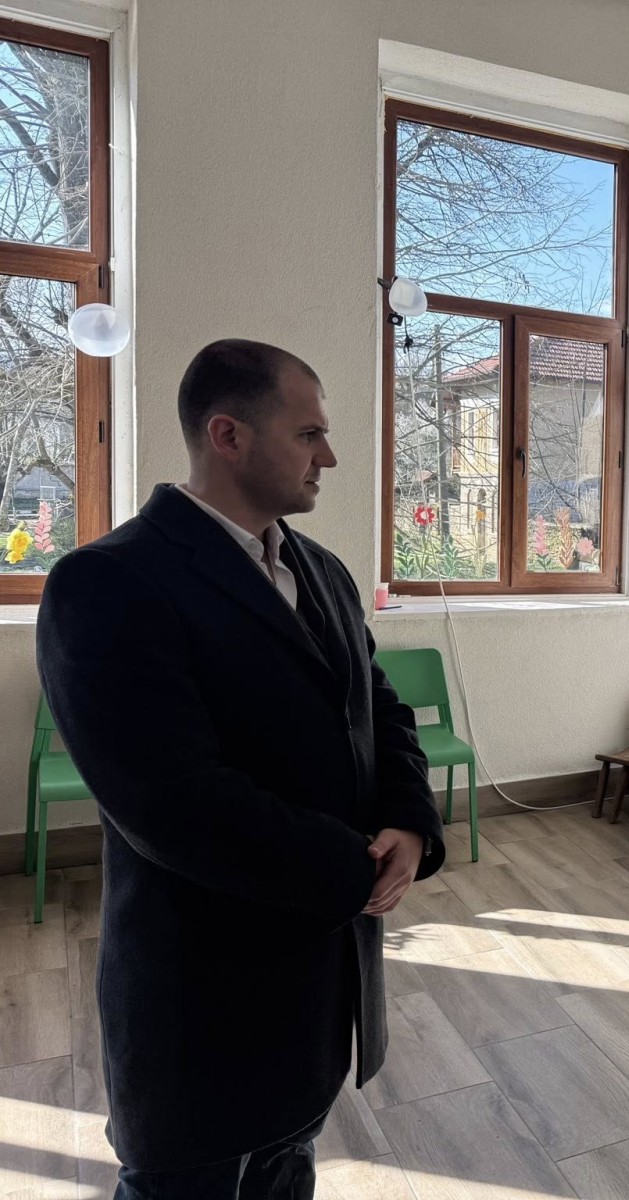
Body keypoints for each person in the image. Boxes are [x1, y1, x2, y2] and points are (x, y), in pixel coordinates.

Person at [37, 339, 446, 1199]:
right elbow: (175, 804)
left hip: (318, 1001)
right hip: (202, 1012)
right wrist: (356, 867)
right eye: (308, 435)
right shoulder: (108, 583)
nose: (329, 457)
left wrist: (410, 822)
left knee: (284, 1170)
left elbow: (378, 707)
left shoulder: (320, 571)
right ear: (228, 435)